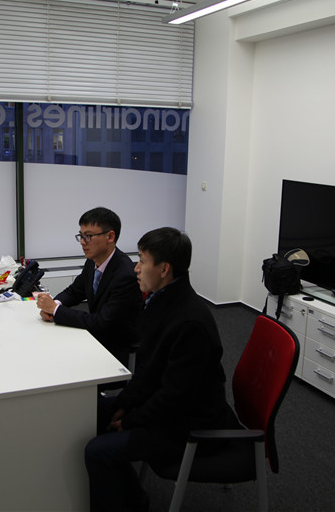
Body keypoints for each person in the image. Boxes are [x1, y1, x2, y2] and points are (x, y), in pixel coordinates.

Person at [84, 227, 237, 512]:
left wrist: (130, 419)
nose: (136, 268)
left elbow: (174, 397)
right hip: (165, 406)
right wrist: (123, 404)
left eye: (142, 261)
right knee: (86, 412)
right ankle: (133, 496)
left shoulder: (189, 322)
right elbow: (148, 370)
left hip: (187, 423)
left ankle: (133, 503)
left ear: (164, 269)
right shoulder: (161, 300)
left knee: (97, 451)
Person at [36, 207, 142, 366]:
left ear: (110, 236)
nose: (83, 242)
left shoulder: (125, 274)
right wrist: (53, 305)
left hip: (114, 350)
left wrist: (56, 310)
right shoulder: (92, 261)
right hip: (95, 336)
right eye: (81, 236)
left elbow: (103, 323)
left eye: (89, 236)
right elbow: (74, 291)